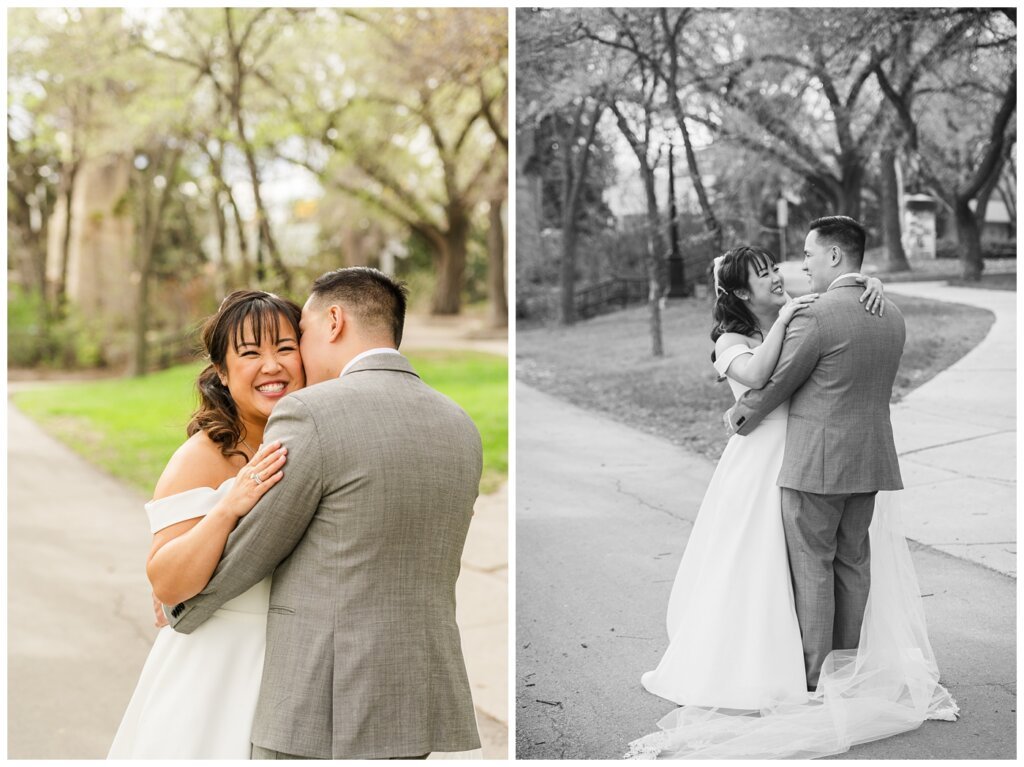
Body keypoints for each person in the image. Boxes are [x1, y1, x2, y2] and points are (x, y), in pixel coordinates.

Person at [628, 221, 956, 760]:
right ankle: (837, 668)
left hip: (810, 460)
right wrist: (848, 287)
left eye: (796, 259)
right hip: (808, 460)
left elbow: (779, 381)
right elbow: (764, 374)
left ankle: (816, 675)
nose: (788, 270)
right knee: (823, 563)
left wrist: (740, 413)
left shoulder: (813, 313)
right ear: (738, 291)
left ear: (830, 256)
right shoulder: (878, 314)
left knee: (811, 565)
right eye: (766, 272)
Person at [165, 267, 483, 760]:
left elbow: (256, 549)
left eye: (299, 338)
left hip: (325, 698)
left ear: (333, 322)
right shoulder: (460, 424)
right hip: (420, 690)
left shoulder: (314, 412)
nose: (294, 359)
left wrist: (180, 606)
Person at [109, 290, 305, 758]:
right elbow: (168, 582)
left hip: (295, 669)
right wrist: (227, 507)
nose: (272, 365)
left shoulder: (312, 439)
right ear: (222, 371)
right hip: (216, 670)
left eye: (284, 347)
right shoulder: (201, 457)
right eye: (251, 353)